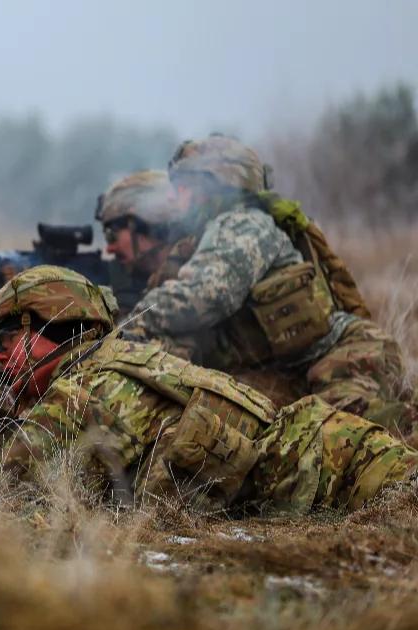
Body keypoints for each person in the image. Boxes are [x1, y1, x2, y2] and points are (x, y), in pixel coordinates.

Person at [0, 266, 418, 514]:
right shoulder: (116, 363)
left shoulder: (85, 395)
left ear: (46, 329)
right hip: (346, 455)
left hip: (350, 481)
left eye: (7, 335)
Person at [103, 136, 411, 433]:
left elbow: (203, 296)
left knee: (347, 441)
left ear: (210, 188)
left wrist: (129, 327)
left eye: (182, 187)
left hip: (345, 356)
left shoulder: (244, 224)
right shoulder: (206, 239)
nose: (174, 198)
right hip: (294, 371)